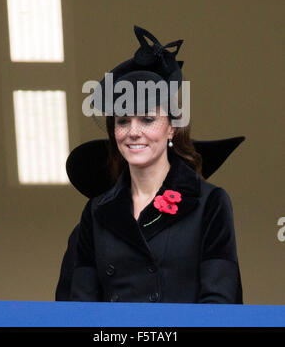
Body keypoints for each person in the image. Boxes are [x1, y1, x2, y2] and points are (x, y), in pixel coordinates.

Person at [57, 25, 244, 303]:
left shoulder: (210, 203)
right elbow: (78, 308)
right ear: (114, 133)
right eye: (123, 121)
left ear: (172, 128)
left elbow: (220, 305)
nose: (133, 131)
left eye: (147, 119)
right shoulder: (96, 213)